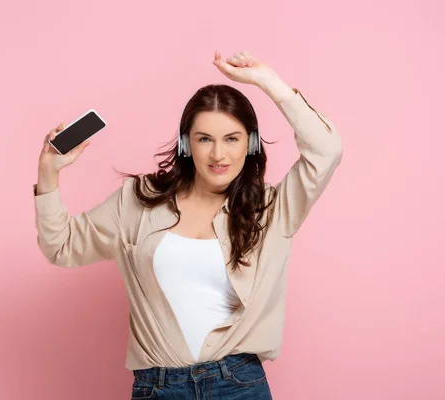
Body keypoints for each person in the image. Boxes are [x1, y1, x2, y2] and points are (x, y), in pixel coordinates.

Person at [33, 49, 342, 399]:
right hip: (158, 387)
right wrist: (48, 175)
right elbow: (60, 246)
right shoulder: (138, 200)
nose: (218, 155)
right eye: (204, 139)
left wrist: (267, 81)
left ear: (251, 143)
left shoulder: (271, 209)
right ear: (186, 144)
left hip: (239, 385)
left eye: (232, 138)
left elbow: (326, 150)